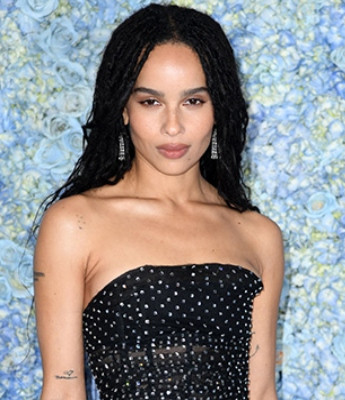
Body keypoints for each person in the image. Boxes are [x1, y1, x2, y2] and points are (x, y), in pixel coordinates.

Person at [33, 4, 283, 399]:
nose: (173, 126)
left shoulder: (259, 234)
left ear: (219, 107)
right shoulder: (74, 224)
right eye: (151, 102)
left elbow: (262, 391)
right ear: (123, 108)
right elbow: (63, 390)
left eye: (193, 101)